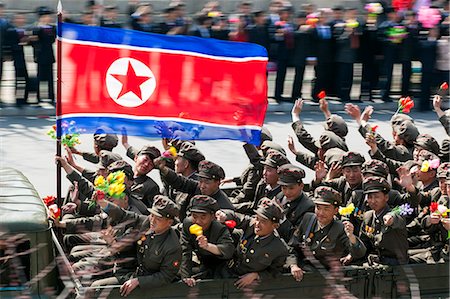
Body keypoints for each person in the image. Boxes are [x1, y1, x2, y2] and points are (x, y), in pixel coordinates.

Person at [89, 196, 181, 296]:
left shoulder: (172, 246)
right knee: (91, 276)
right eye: (152, 215)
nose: (152, 221)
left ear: (169, 223)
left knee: (96, 288)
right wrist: (102, 203)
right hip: (131, 271)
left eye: (158, 218)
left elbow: (165, 276)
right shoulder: (146, 223)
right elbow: (123, 215)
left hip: (149, 285)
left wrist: (139, 281)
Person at [287, 186, 366, 277]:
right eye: (318, 208)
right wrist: (293, 265)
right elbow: (292, 246)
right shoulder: (307, 219)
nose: (321, 213)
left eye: (326, 209)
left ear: (336, 210)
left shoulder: (340, 228)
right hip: (302, 272)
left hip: (326, 276)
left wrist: (351, 237)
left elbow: (359, 253)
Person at [218, 198, 289, 289]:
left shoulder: (278, 247)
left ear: (274, 226)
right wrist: (225, 215)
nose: (257, 224)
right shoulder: (251, 225)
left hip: (248, 285)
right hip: (227, 271)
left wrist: (257, 275)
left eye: (263, 221)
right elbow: (237, 217)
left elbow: (276, 271)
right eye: (257, 218)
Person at [179, 195, 234, 286]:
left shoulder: (220, 227)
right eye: (194, 216)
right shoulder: (188, 224)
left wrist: (208, 246)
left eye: (203, 217)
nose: (198, 221)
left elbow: (228, 250)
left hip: (222, 262)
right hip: (202, 260)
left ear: (212, 216)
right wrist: (186, 276)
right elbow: (185, 250)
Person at [359, 177, 409, 265]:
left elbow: (396, 217)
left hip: (397, 264)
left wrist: (390, 219)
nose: (373, 201)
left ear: (386, 197)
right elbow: (364, 243)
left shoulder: (395, 213)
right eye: (370, 197)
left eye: (377, 197)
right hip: (377, 261)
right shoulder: (368, 216)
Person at [155, 158, 235, 210]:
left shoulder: (224, 206)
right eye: (200, 181)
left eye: (207, 182)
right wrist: (163, 169)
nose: (202, 186)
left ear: (218, 183)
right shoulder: (198, 187)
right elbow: (180, 182)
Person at [276, 164, 315, 241]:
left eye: (291, 188)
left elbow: (295, 237)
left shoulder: (308, 207)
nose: (287, 192)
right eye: (284, 188)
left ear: (301, 186)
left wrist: (282, 217)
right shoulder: (280, 196)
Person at [31, 6, 56, 103]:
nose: (47, 18)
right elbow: (34, 42)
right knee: (40, 77)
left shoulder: (52, 28)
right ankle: (38, 97)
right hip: (40, 55)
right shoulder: (36, 28)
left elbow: (52, 40)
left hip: (49, 55)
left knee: (50, 78)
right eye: (45, 16)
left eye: (48, 16)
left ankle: (51, 96)